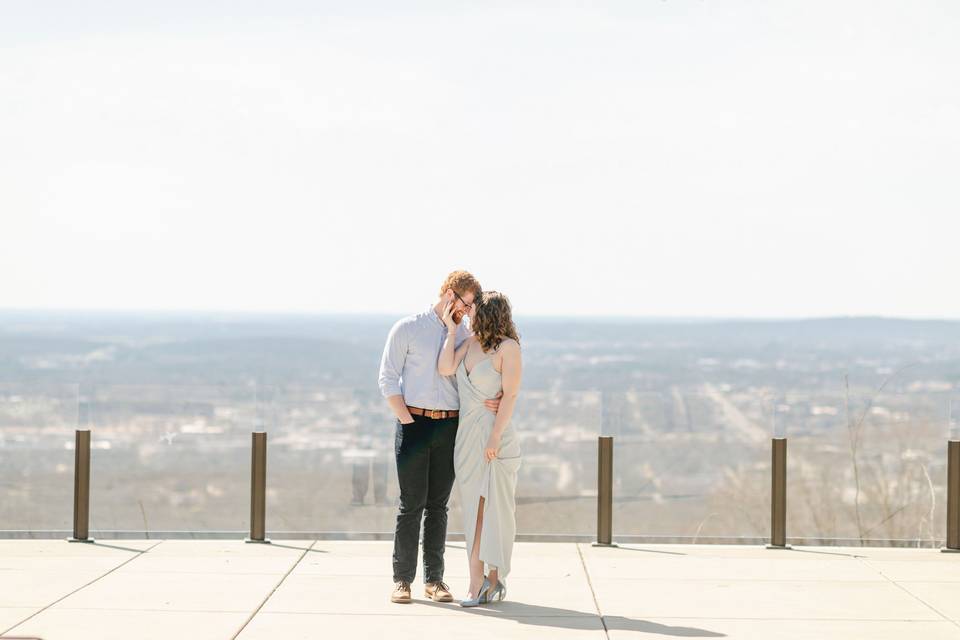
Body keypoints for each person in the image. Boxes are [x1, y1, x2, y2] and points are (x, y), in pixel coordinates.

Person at [378, 271, 500, 604]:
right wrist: (408, 421)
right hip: (413, 423)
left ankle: (435, 581)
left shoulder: (466, 335)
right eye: (465, 302)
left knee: (438, 507)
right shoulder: (407, 328)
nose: (468, 310)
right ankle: (402, 580)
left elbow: (486, 373)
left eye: (472, 305)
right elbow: (387, 379)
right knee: (410, 505)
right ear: (449, 294)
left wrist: (497, 399)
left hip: (451, 427)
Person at [437, 290, 522, 606]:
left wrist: (495, 438)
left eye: (473, 310)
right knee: (473, 511)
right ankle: (478, 582)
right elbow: (445, 369)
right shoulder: (469, 343)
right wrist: (450, 331)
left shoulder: (509, 348)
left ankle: (489, 581)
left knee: (494, 511)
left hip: (494, 439)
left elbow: (510, 395)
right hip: (467, 440)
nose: (469, 313)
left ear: (488, 313)